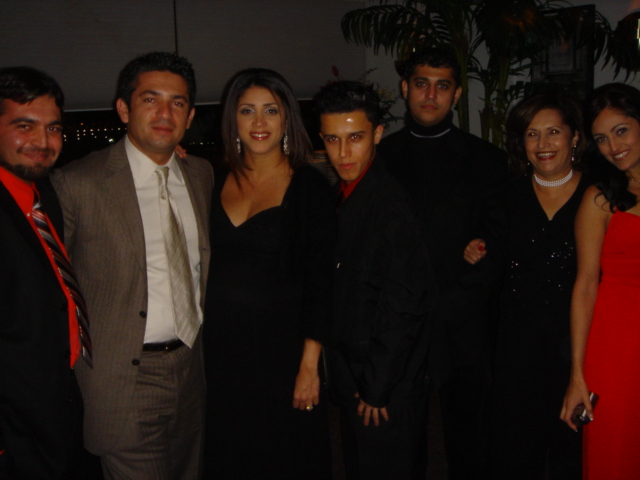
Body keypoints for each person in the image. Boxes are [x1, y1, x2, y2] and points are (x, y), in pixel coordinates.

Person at [51, 52, 213, 480]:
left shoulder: (201, 174)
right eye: (150, 99)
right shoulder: (77, 183)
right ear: (124, 109)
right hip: (124, 377)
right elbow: (48, 286)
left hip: (191, 367)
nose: (164, 113)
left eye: (177, 103)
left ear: (190, 116)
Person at [378, 47, 508, 479]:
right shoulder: (379, 158)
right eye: (421, 84)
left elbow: (497, 243)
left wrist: (452, 303)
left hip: (463, 317)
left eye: (442, 86)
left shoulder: (487, 159)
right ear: (405, 88)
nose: (430, 95)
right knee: (403, 439)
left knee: (469, 437)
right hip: (400, 320)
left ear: (456, 94)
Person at [202, 68, 333, 479]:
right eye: (247, 111)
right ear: (233, 119)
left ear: (287, 118)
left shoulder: (310, 187)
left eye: (271, 110)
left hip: (283, 355)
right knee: (229, 456)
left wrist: (309, 366)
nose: (259, 122)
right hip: (220, 352)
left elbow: (321, 283)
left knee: (285, 456)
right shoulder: (211, 179)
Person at [464, 93, 587, 479]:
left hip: (581, 345)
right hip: (518, 348)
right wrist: (473, 250)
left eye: (553, 132)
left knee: (575, 452)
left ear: (575, 137)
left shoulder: (598, 196)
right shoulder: (506, 197)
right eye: (532, 134)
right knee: (514, 452)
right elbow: (491, 263)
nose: (543, 143)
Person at [316, 80, 432, 480]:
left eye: (355, 138)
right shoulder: (349, 191)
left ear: (377, 134)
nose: (343, 153)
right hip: (361, 372)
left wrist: (377, 387)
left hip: (382, 380)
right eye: (332, 139)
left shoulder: (387, 203)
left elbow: (405, 303)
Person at [0, 67, 85, 479]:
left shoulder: (43, 195)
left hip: (57, 407)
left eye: (53, 128)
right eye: (24, 126)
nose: (43, 141)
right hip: (13, 432)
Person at [560, 83, 640, 479]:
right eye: (602, 138)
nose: (614, 146)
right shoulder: (599, 198)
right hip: (618, 344)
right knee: (616, 451)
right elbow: (585, 284)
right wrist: (577, 375)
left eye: (621, 131)